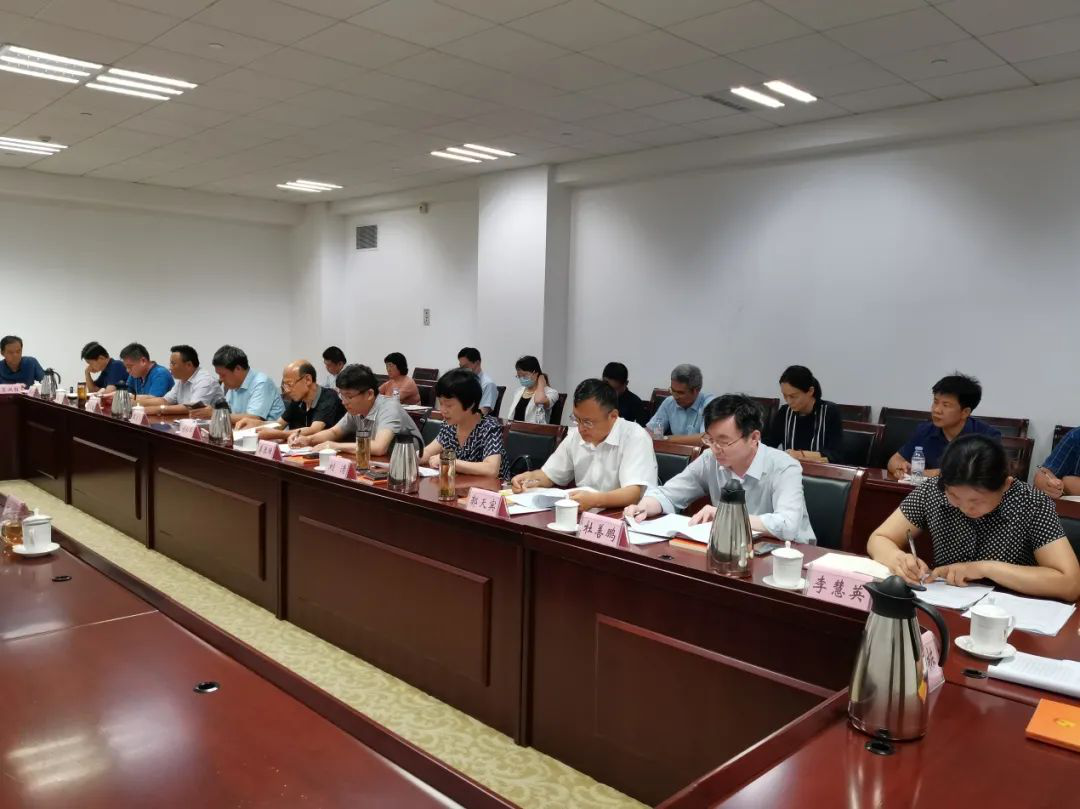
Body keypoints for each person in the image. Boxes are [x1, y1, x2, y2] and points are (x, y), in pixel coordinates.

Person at [869, 435, 1080, 601]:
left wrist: (984, 568)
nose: (965, 508)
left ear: (1006, 484)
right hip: (948, 605)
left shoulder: (1032, 502)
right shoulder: (932, 491)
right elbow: (879, 538)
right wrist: (897, 559)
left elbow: (1070, 583)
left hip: (1012, 614)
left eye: (976, 501)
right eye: (954, 497)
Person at [626, 394, 816, 543]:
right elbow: (669, 494)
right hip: (730, 547)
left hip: (787, 554)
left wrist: (726, 515)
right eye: (710, 439)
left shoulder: (784, 467)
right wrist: (644, 506)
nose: (715, 448)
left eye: (724, 442)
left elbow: (787, 525)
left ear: (754, 438)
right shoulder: (710, 459)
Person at [511, 378, 657, 511]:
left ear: (613, 416)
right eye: (577, 419)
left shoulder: (635, 437)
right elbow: (550, 475)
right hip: (585, 514)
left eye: (588, 422)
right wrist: (530, 478)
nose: (581, 428)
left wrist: (595, 501)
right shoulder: (575, 435)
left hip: (624, 517)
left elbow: (633, 493)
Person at [887, 373, 1001, 480]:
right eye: (936, 402)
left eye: (946, 405)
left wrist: (926, 473)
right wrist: (901, 469)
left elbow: (981, 474)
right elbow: (894, 460)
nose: (936, 410)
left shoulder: (987, 436)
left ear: (965, 412)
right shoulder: (925, 430)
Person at [293, 363, 422, 455]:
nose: (344, 402)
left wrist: (335, 446)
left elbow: (379, 447)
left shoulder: (389, 408)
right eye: (341, 395)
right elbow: (334, 432)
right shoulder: (356, 409)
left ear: (369, 394)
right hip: (377, 464)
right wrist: (307, 439)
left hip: (409, 466)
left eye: (349, 396)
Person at [419, 369, 506, 479]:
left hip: (489, 488)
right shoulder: (449, 426)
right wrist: (408, 457)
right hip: (458, 485)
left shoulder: (489, 427)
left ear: (470, 404)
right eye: (441, 404)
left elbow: (491, 469)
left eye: (449, 405)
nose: (443, 410)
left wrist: (450, 462)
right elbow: (427, 452)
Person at [237, 360, 345, 440]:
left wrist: (279, 435)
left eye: (290, 384)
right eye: (285, 386)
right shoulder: (298, 400)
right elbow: (279, 425)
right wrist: (257, 424)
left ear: (308, 379)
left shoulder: (328, 397)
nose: (287, 391)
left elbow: (314, 430)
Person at [764, 365, 843, 463]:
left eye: (793, 396)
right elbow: (770, 443)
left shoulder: (829, 411)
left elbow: (835, 455)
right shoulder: (785, 411)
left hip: (818, 470)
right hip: (790, 469)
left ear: (810, 391)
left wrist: (800, 455)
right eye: (785, 396)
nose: (788, 401)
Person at [201, 345, 284, 425]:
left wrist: (215, 414)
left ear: (238, 369)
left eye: (223, 375)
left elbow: (253, 418)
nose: (220, 379)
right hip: (243, 431)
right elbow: (229, 413)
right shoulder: (234, 385)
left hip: (272, 433)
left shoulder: (262, 383)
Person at [137, 345, 223, 416]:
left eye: (173, 364)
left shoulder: (205, 380)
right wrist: (138, 404)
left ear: (188, 365)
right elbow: (166, 400)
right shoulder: (182, 379)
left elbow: (192, 407)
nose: (170, 367)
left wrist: (158, 409)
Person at [645, 363, 714, 445]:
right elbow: (652, 430)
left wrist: (666, 439)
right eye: (673, 390)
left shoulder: (710, 404)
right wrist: (654, 435)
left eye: (680, 393)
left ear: (696, 391)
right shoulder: (669, 402)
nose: (675, 396)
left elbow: (707, 438)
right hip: (673, 451)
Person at [506, 355, 557, 423]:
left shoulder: (551, 392)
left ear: (535, 373)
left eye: (524, 375)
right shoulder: (519, 391)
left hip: (534, 429)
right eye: (519, 376)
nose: (522, 378)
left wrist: (541, 380)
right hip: (514, 428)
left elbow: (539, 401)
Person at [1034, 427, 1080, 500]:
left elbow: (1070, 483)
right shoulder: (1076, 435)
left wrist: (1069, 484)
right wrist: (1049, 486)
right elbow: (1043, 473)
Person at [602, 361, 646, 426]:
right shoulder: (597, 398)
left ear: (626, 383)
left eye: (615, 389)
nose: (610, 392)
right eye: (608, 388)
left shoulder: (635, 403)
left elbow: (641, 429)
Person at [457, 347, 498, 416]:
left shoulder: (488, 384)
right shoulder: (462, 381)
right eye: (461, 367)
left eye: (465, 366)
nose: (462, 370)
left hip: (476, 421)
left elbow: (482, 412)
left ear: (477, 363)